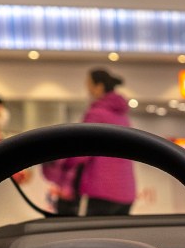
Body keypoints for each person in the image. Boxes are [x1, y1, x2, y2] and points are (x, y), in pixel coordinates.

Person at [43, 68, 137, 216]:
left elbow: (82, 150)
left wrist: (61, 162)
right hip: (126, 191)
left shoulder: (95, 114)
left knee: (96, 236)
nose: (87, 90)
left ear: (99, 87)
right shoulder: (122, 116)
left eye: (88, 84)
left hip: (102, 191)